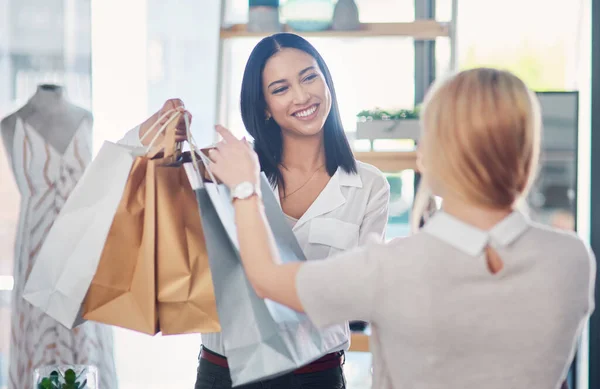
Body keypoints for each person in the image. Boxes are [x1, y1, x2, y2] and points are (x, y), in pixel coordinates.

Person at [206, 67, 596, 389]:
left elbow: (267, 280)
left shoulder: (393, 269)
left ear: (432, 156)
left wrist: (244, 188)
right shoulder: (572, 260)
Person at [120, 33, 390, 389]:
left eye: (309, 77)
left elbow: (358, 299)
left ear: (326, 80)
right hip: (226, 373)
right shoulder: (226, 167)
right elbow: (128, 195)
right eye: (280, 89)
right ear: (263, 105)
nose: (301, 96)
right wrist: (151, 134)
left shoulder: (369, 185)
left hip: (317, 377)